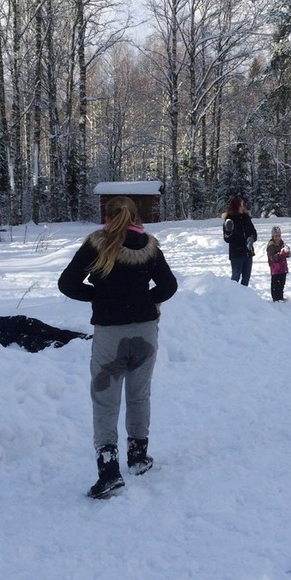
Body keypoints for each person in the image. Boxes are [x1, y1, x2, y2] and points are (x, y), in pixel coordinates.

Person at [58, 195, 177, 499]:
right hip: (145, 332)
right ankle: (138, 458)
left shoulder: (96, 244)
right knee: (139, 394)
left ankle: (109, 471)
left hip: (110, 334)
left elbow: (67, 283)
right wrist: (144, 300)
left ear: (107, 217)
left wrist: (99, 297)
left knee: (105, 400)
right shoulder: (149, 246)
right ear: (137, 217)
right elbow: (169, 286)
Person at [222, 195, 257, 286]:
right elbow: (227, 239)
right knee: (236, 277)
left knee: (246, 278)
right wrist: (228, 232)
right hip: (236, 254)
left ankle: (243, 294)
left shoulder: (246, 218)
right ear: (236, 206)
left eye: (243, 205)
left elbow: (253, 233)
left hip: (248, 253)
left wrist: (252, 238)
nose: (243, 207)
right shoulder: (229, 220)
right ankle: (231, 293)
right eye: (241, 205)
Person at [266, 226, 291, 302]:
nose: (277, 238)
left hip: (283, 267)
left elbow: (287, 254)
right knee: (275, 283)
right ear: (273, 236)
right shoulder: (271, 245)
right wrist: (279, 254)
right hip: (275, 268)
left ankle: (280, 296)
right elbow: (272, 257)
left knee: (282, 283)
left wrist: (287, 252)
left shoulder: (282, 243)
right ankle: (275, 298)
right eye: (276, 236)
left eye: (279, 236)